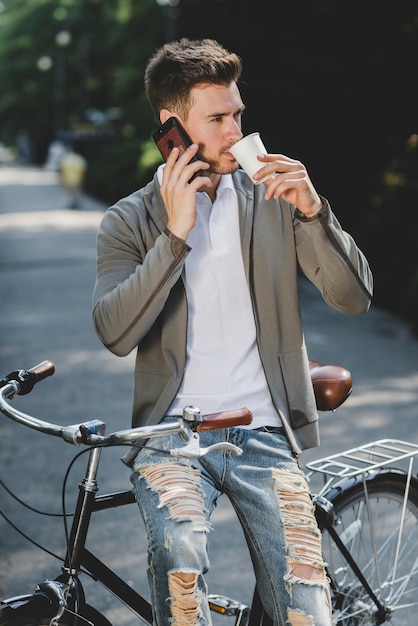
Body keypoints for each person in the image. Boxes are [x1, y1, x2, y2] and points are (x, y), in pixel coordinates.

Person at [92, 38, 373, 626]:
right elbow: (114, 333)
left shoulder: (271, 198)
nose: (235, 131)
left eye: (237, 114)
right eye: (217, 119)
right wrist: (175, 236)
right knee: (180, 558)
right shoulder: (129, 220)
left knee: (306, 610)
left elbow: (353, 298)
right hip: (174, 434)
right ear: (172, 128)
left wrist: (314, 213)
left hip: (265, 429)